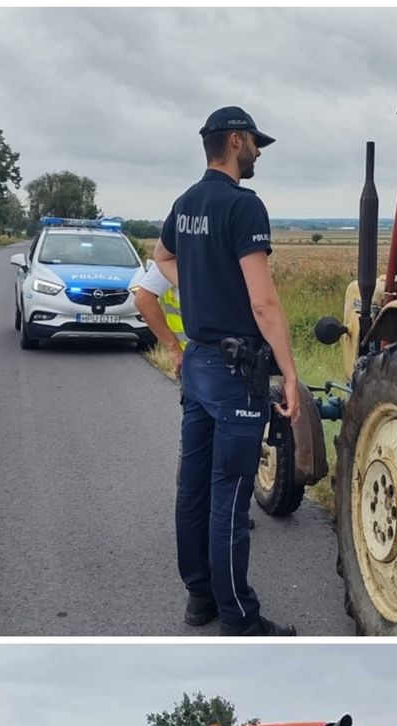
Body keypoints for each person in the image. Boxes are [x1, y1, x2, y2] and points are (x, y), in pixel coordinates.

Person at [153, 106, 300, 637]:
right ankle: (240, 616)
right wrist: (290, 375)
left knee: (192, 487)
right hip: (238, 372)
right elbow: (264, 303)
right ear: (235, 141)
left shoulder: (185, 202)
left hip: (197, 364)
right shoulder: (244, 206)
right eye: (254, 143)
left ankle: (200, 598)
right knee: (230, 497)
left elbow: (162, 256)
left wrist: (198, 282)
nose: (258, 151)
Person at [130, 259, 187, 376]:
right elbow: (143, 300)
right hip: (195, 357)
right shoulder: (174, 256)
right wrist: (174, 348)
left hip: (226, 353)